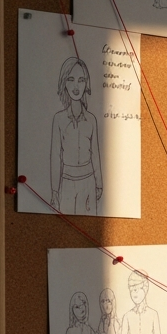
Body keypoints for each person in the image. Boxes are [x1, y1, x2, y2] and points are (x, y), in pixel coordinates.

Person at [50, 57, 102, 215]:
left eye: (81, 80)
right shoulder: (59, 119)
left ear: (86, 84)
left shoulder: (91, 120)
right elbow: (55, 156)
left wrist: (99, 183)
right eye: (71, 80)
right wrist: (54, 189)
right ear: (64, 83)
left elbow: (95, 155)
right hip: (67, 182)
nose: (76, 86)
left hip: (88, 180)